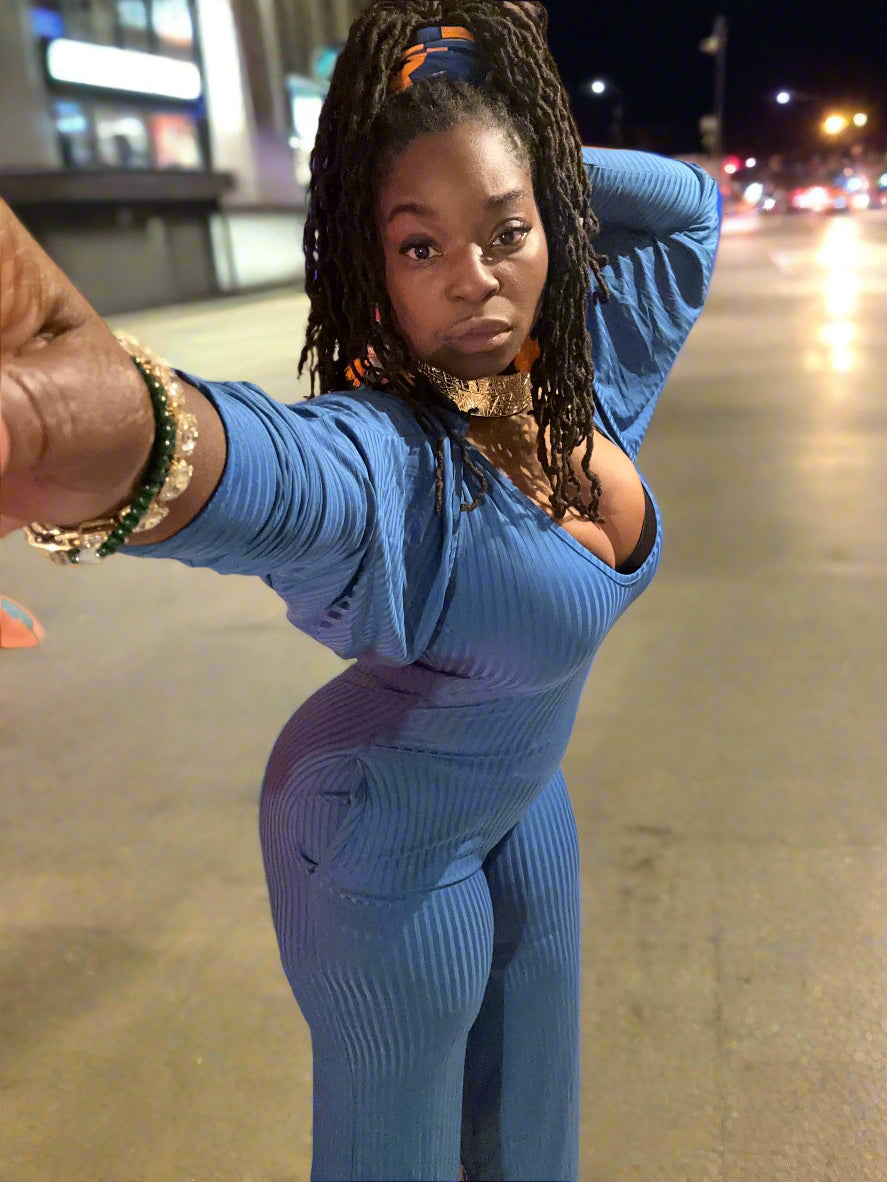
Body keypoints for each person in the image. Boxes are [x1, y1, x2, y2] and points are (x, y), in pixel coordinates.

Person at [0, 1, 721, 1178]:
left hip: (520, 792)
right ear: (371, 268)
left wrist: (508, 139)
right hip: (376, 823)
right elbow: (266, 474)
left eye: (506, 232)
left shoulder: (587, 377)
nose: (475, 281)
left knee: (531, 1113)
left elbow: (689, 208)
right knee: (399, 1141)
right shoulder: (389, 458)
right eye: (418, 246)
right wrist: (129, 437)